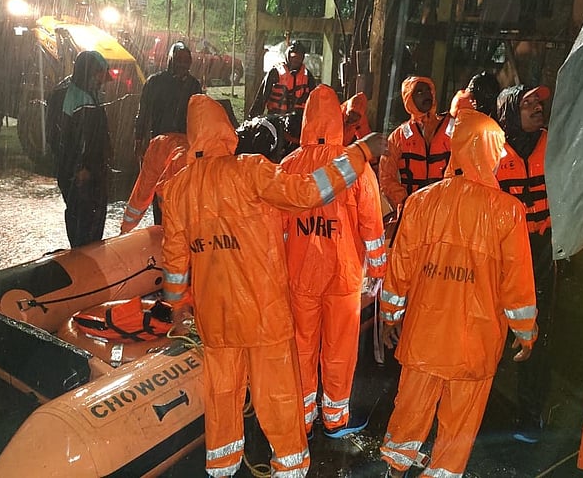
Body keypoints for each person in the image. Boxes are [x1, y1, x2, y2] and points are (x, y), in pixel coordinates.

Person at [159, 94, 386, 478]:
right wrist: (360, 153)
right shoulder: (251, 170)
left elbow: (174, 259)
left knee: (222, 392)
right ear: (226, 131)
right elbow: (308, 193)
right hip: (264, 311)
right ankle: (291, 465)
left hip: (216, 317)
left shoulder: (178, 189)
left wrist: (178, 306)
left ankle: (222, 464)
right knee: (278, 393)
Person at [378, 105, 538, 478]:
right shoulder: (508, 211)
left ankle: (395, 468)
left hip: (424, 337)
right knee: (460, 422)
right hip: (476, 343)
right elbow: (517, 284)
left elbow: (399, 271)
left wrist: (390, 317)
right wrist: (525, 333)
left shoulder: (420, 203)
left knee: (410, 409)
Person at [280, 85, 387, 439]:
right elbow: (372, 226)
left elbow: (275, 227)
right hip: (343, 277)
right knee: (339, 350)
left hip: (299, 277)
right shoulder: (357, 167)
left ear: (307, 118)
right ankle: (336, 418)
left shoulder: (288, 166)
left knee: (301, 348)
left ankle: (302, 418)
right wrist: (378, 271)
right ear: (339, 120)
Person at [495, 84, 557, 444]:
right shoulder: (492, 150)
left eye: (538, 103)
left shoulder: (553, 143)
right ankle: (481, 403)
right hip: (503, 253)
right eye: (528, 104)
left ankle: (529, 415)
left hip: (542, 250)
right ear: (509, 113)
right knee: (493, 330)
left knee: (537, 333)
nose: (537, 108)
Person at [48, 50, 113, 248]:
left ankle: (87, 254)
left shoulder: (87, 92)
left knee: (89, 218)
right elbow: (65, 138)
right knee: (83, 219)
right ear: (90, 71)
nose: (102, 79)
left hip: (88, 170)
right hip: (81, 174)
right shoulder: (72, 97)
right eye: (100, 73)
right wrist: (80, 168)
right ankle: (82, 257)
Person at [134, 41, 202, 224]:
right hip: (160, 148)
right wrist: (139, 141)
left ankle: (176, 227)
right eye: (179, 60)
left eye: (186, 61)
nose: (183, 64)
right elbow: (143, 114)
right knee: (159, 191)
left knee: (181, 192)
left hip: (184, 149)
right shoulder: (155, 83)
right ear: (170, 60)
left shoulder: (194, 85)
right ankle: (160, 227)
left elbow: (200, 117)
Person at [377, 76, 454, 217]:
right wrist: (405, 201)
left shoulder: (453, 128)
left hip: (445, 210)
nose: (426, 94)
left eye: (428, 90)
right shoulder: (398, 137)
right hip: (412, 212)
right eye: (419, 92)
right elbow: (386, 177)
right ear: (409, 99)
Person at [120, 132, 188, 234]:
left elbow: (142, 193)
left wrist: (125, 229)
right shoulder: (201, 142)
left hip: (179, 219)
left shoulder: (158, 148)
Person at [248, 40, 317, 118]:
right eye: (293, 57)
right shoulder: (275, 72)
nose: (296, 60)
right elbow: (262, 97)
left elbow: (315, 101)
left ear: (302, 58)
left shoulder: (308, 76)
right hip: (276, 117)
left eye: (299, 58)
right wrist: (253, 117)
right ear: (287, 56)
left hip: (298, 119)